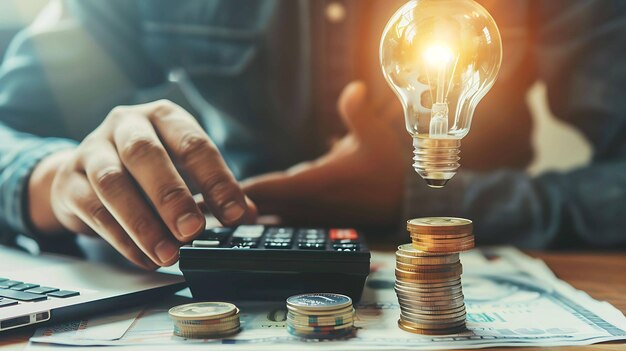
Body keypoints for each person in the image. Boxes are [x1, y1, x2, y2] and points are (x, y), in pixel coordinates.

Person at [0, 0, 625, 269]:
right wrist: (53, 180)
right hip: (196, 264)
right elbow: (10, 127)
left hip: (451, 274)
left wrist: (427, 198)